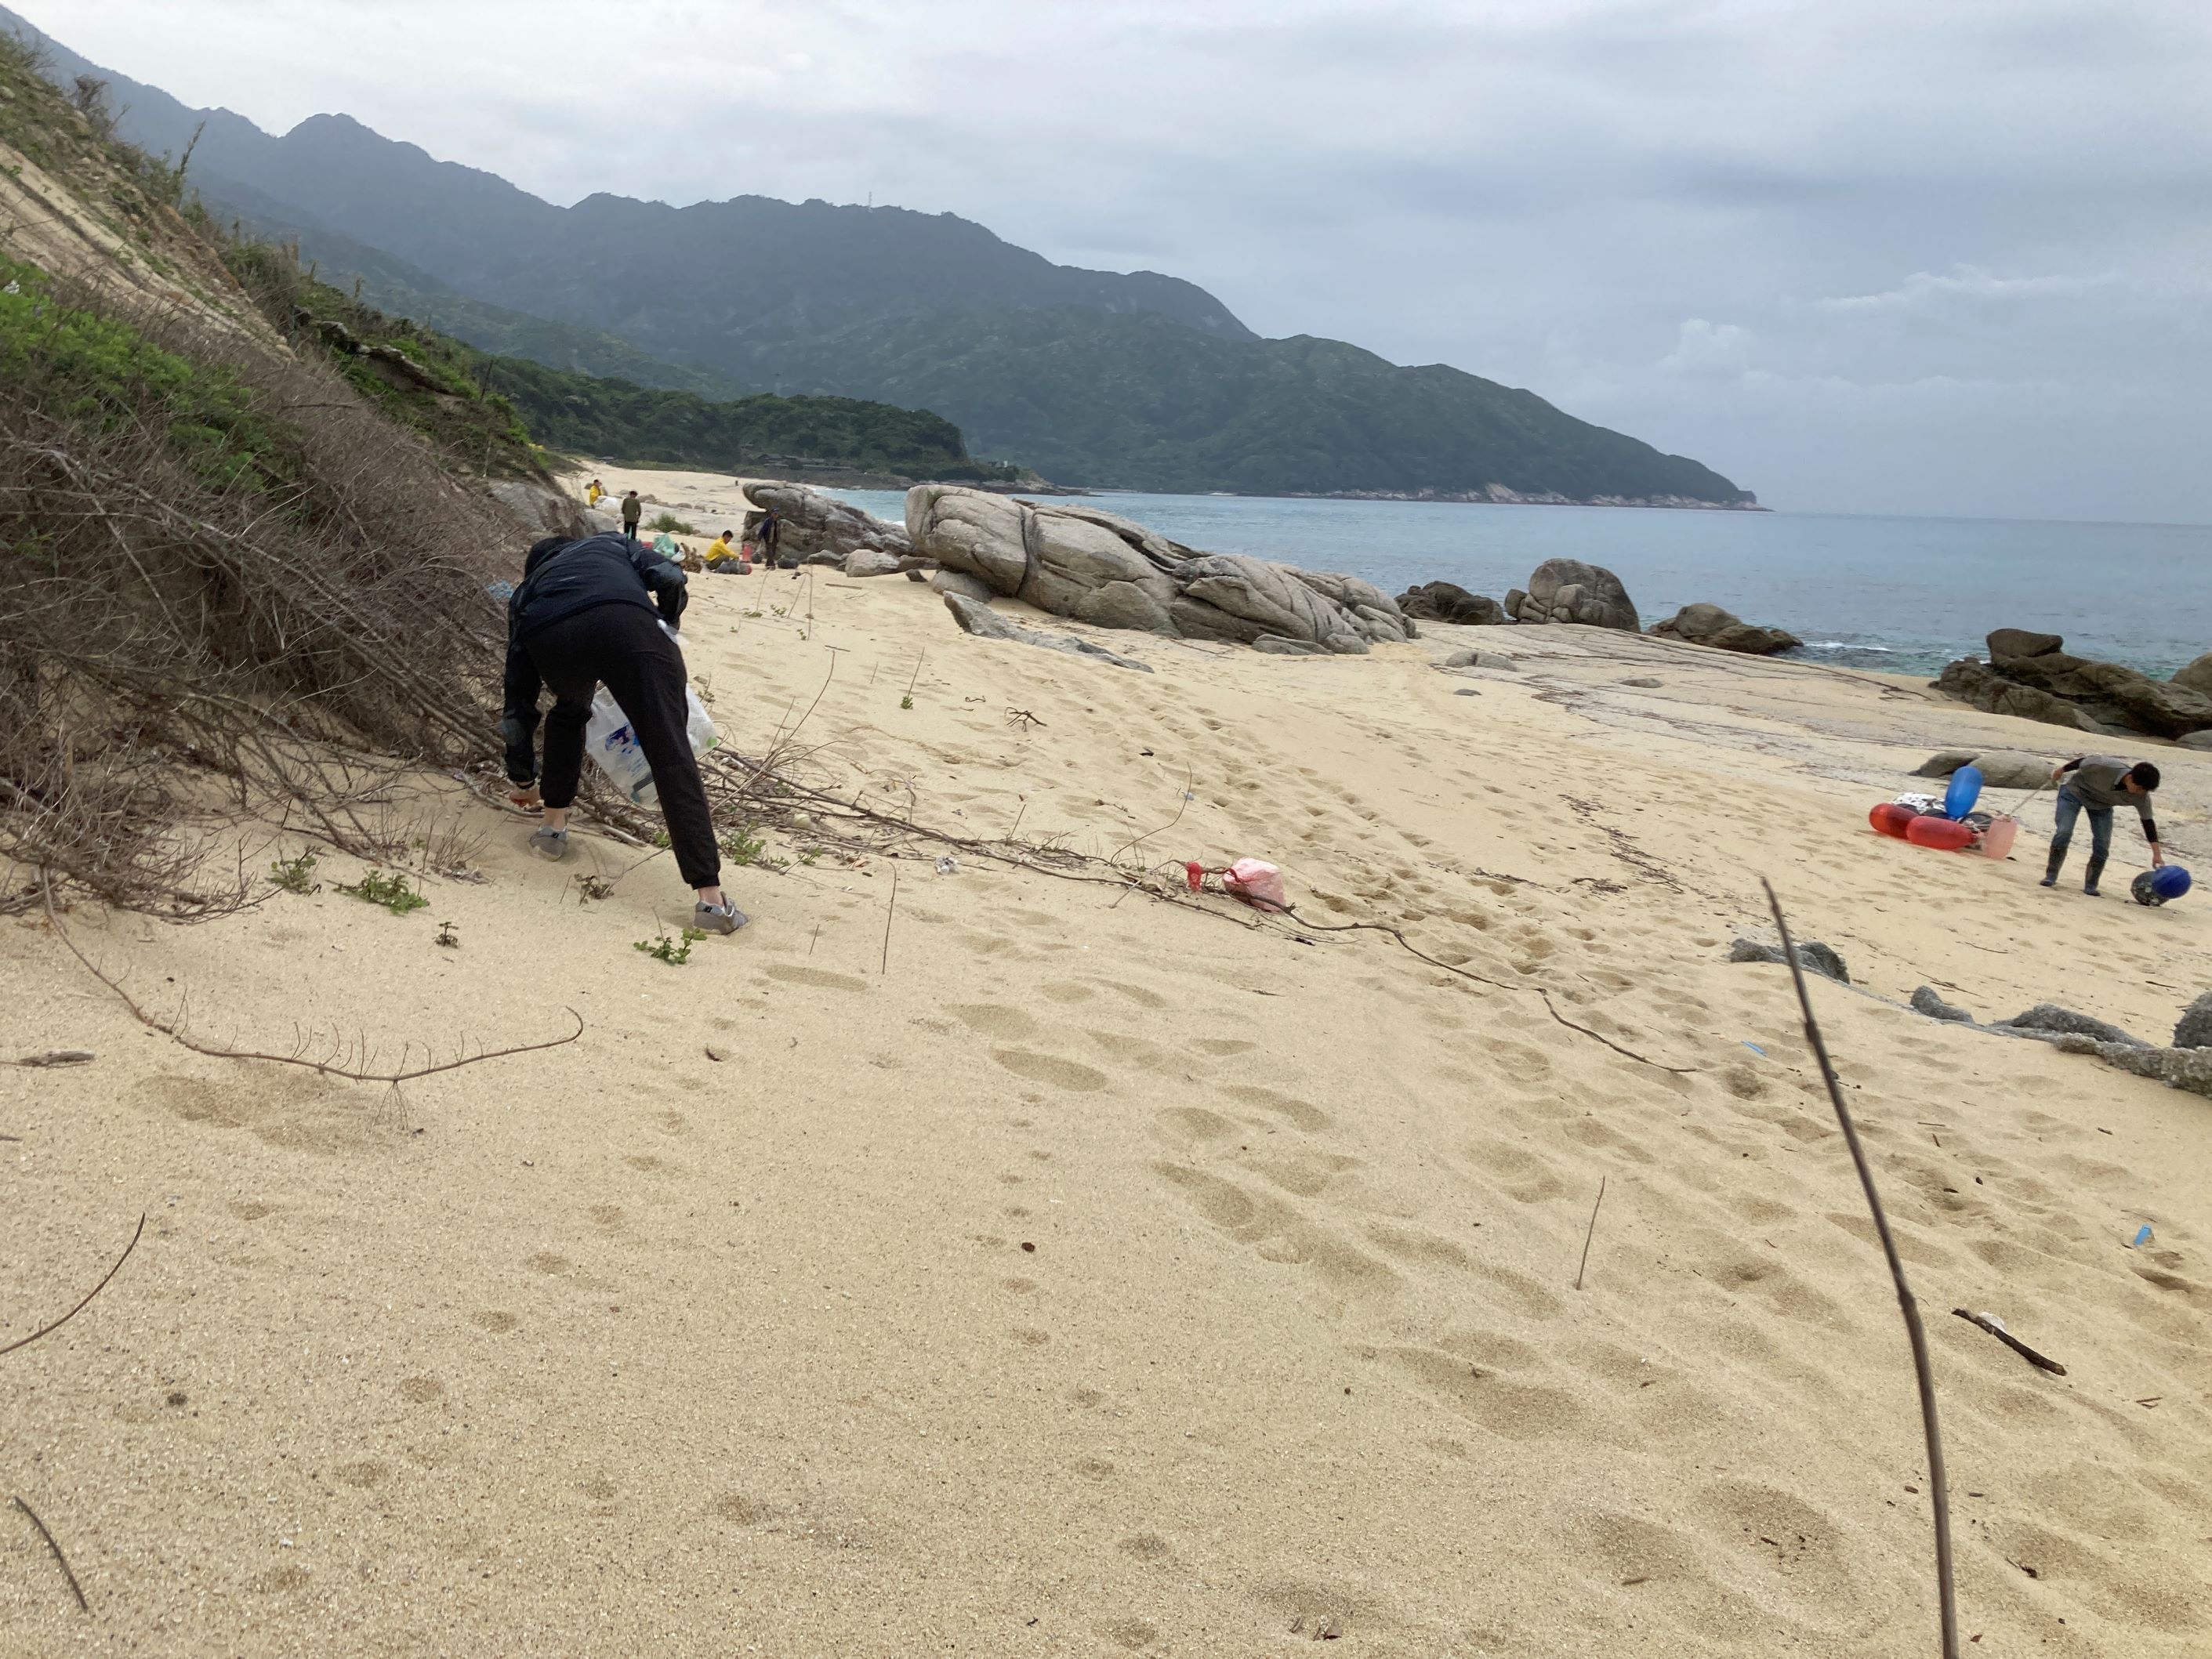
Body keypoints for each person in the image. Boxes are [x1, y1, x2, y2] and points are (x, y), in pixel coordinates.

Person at [500, 533, 746, 933]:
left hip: (553, 635)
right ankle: (712, 903)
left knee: (569, 711)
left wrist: (524, 777)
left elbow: (518, 701)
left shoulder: (526, 592)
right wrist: (667, 623)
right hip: (629, 626)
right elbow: (670, 576)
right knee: (669, 749)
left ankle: (552, 829)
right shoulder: (611, 543)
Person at [2040, 755, 2163, 897]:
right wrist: (2061, 770)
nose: (2141, 793)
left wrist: (2157, 854)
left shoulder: (2142, 797)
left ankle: (2091, 885)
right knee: (2064, 831)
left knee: (2103, 843)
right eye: (2140, 788)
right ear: (2130, 778)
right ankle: (2051, 875)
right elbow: (2083, 762)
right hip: (2074, 793)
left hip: (2101, 806)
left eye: (2145, 790)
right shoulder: (2106, 766)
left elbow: (2148, 823)